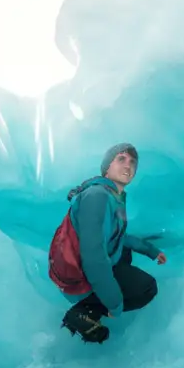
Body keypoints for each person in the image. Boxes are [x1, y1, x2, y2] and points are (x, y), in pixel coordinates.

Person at [49, 143, 167, 343]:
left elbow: (118, 236)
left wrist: (151, 251)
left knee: (126, 252)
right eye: (121, 159)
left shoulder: (112, 195)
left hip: (88, 264)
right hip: (80, 276)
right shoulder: (98, 197)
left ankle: (102, 291)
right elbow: (94, 258)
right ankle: (84, 311)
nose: (128, 165)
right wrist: (114, 304)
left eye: (133, 162)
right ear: (107, 167)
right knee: (147, 288)